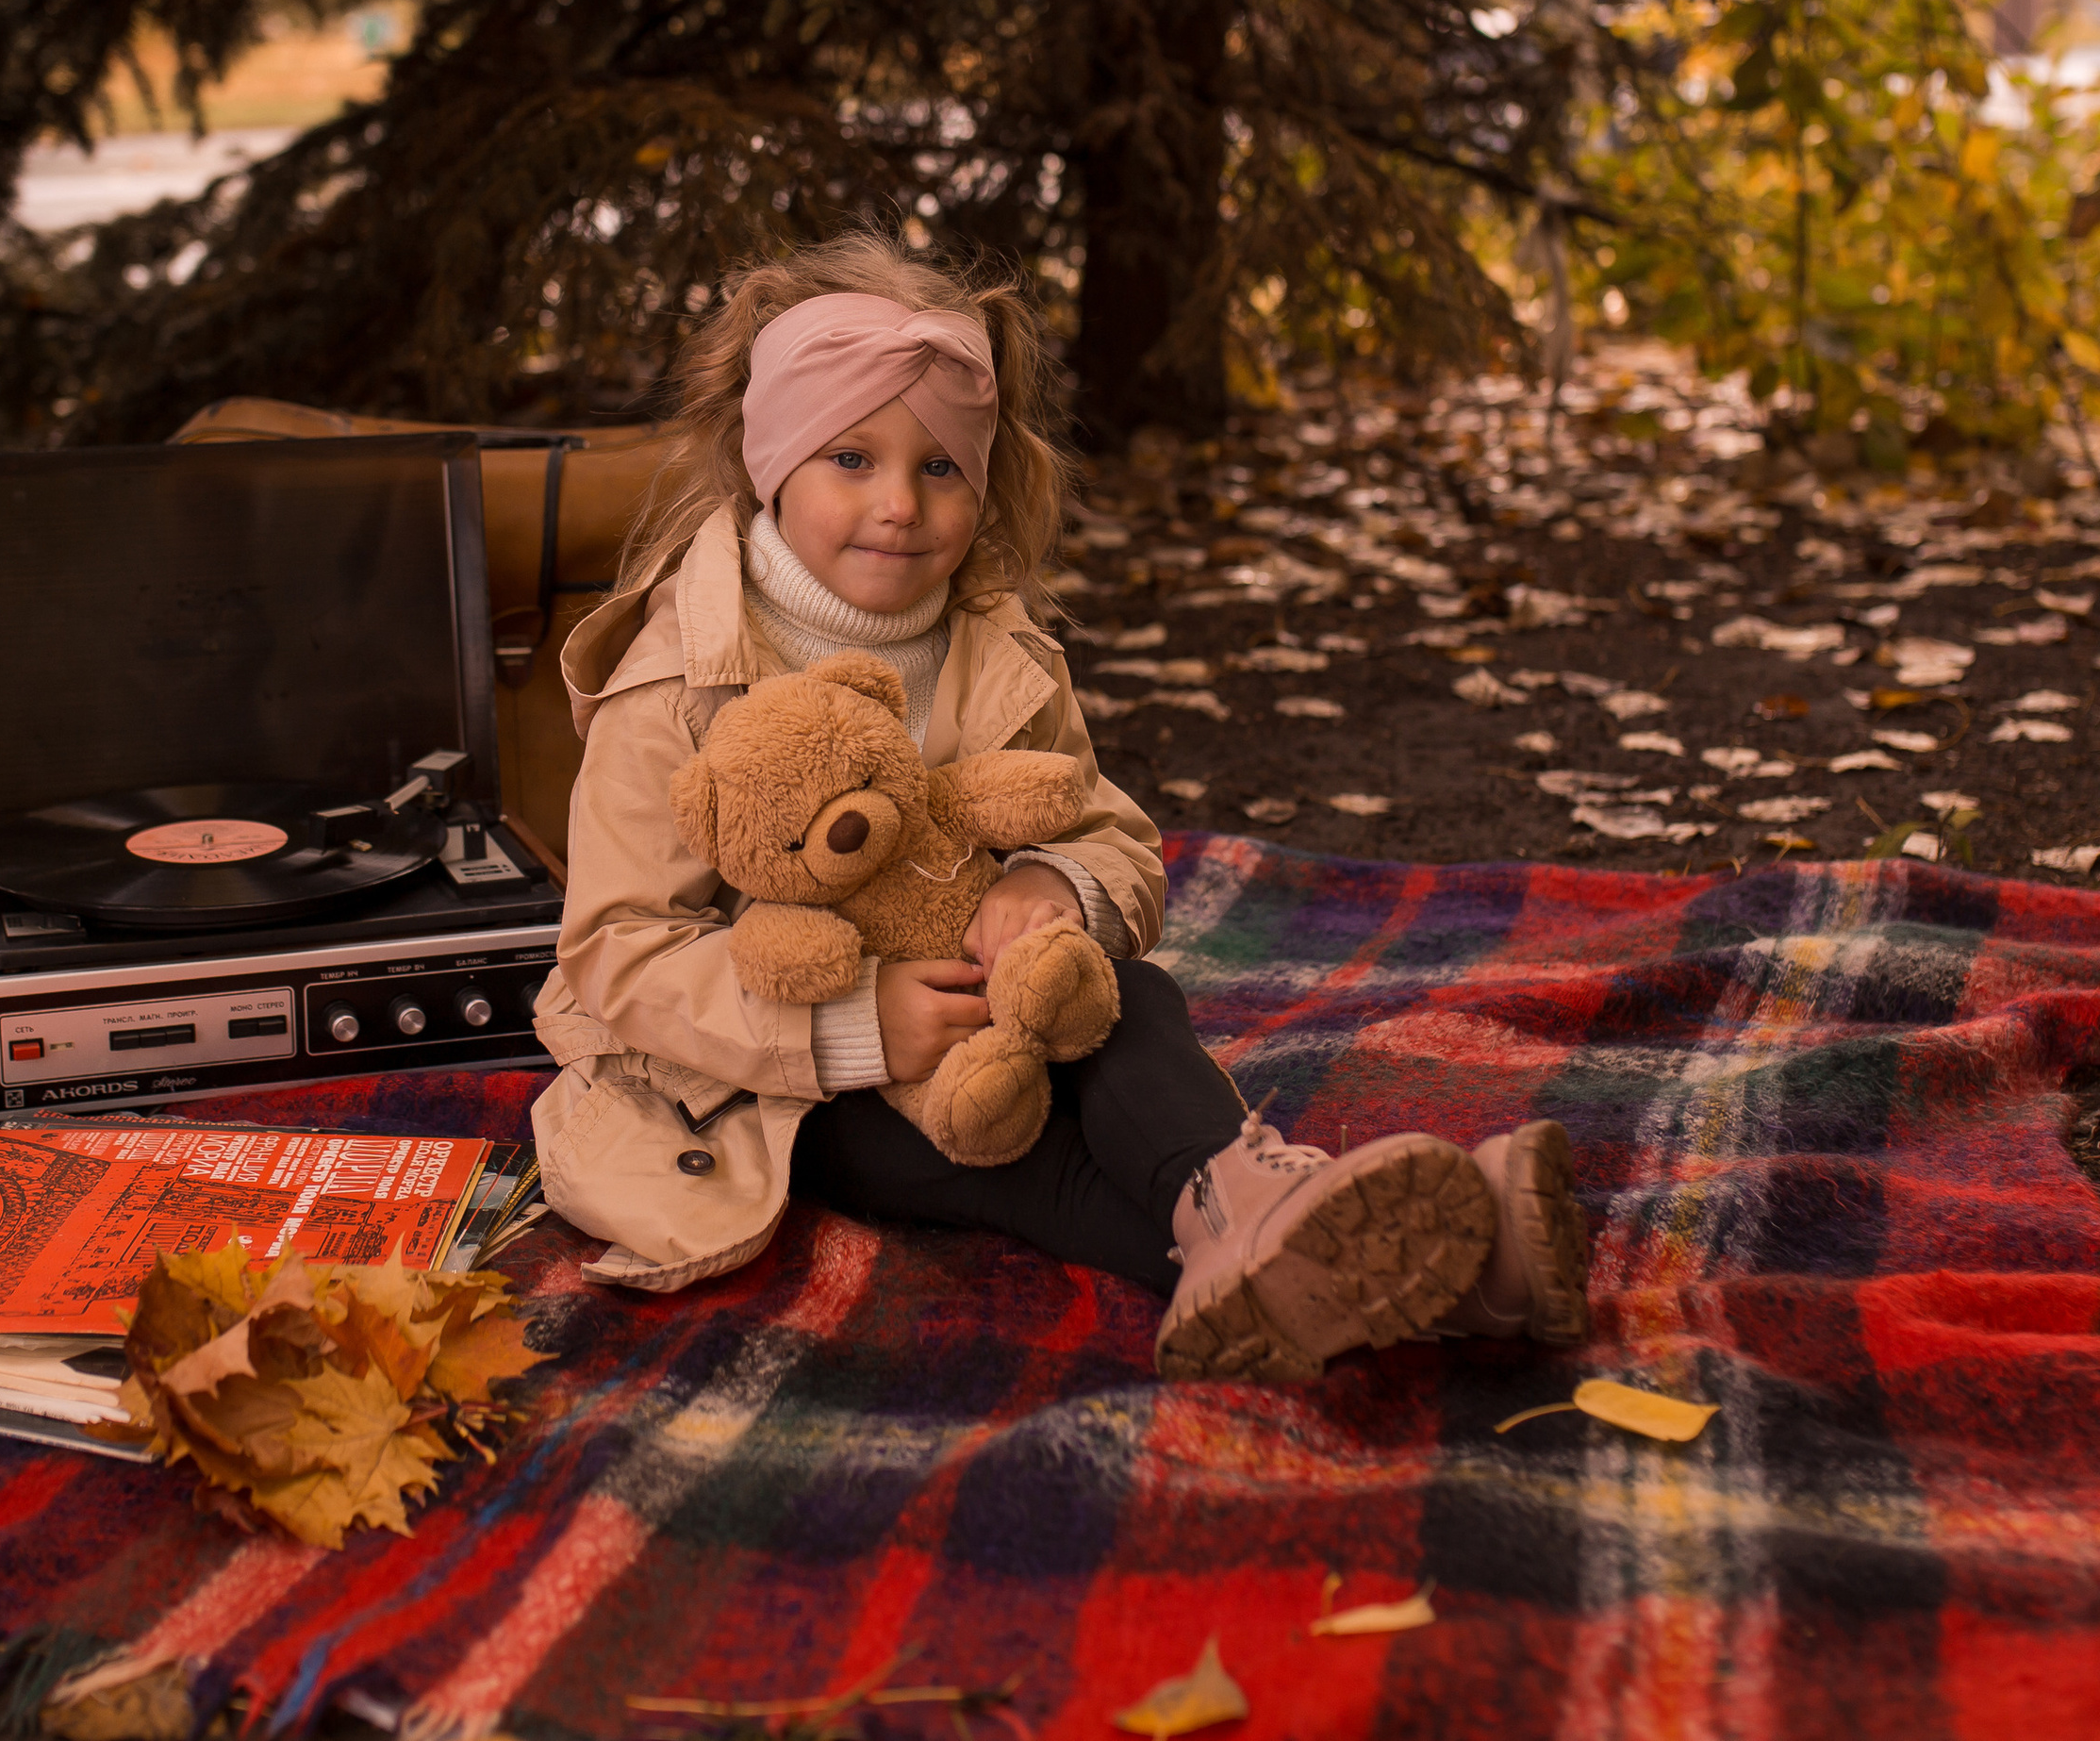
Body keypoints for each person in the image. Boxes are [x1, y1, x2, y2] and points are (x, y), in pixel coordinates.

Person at [530, 232, 1588, 1381]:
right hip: (784, 1085)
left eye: (940, 467)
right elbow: (618, 953)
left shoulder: (993, 643)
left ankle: (1246, 1198)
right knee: (1016, 1155)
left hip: (1007, 1000)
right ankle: (1434, 1272)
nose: (897, 504)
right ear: (772, 458)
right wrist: (848, 1026)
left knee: (1131, 1005)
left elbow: (1107, 833)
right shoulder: (675, 678)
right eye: (850, 457)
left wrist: (1052, 884)